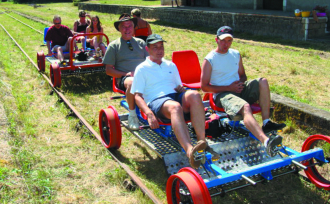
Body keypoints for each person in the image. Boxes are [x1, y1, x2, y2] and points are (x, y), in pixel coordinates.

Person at [131, 34, 219, 169]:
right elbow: (137, 96)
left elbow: (179, 88)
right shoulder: (142, 68)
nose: (160, 50)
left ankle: (202, 142)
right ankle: (190, 151)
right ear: (147, 49)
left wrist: (183, 91)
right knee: (175, 106)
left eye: (161, 46)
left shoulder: (170, 65)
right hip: (157, 101)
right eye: (155, 47)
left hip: (174, 96)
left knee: (194, 94)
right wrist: (148, 113)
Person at [201, 26, 286, 157]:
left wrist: (240, 83)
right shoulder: (210, 59)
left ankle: (266, 123)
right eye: (223, 40)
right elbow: (204, 87)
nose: (226, 44)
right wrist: (229, 88)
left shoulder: (236, 54)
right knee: (246, 107)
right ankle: (266, 141)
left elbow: (243, 75)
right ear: (216, 40)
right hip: (222, 94)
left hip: (237, 89)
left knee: (263, 81)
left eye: (229, 40)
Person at [103, 14, 148, 130]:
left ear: (134, 28)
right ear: (119, 29)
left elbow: (150, 62)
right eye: (124, 26)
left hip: (144, 76)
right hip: (125, 78)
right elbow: (108, 70)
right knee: (133, 82)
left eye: (130, 26)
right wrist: (125, 74)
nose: (127, 29)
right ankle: (132, 116)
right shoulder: (113, 46)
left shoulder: (141, 43)